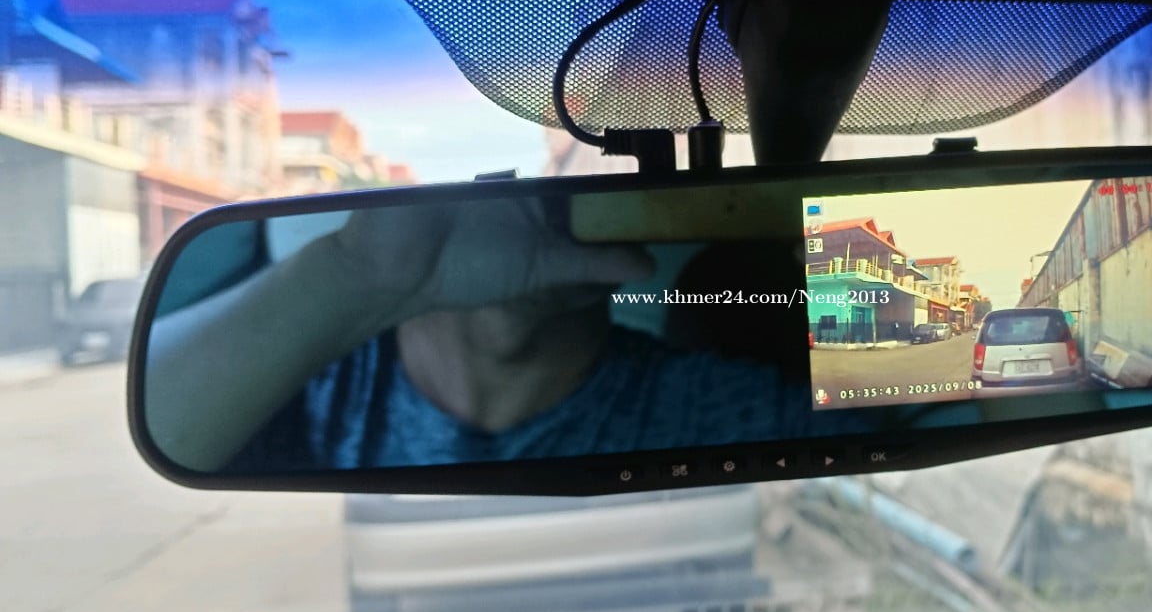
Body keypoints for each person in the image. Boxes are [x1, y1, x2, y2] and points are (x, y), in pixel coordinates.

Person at [144, 197, 872, 474]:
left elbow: (918, 422)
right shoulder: (313, 382)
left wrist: (841, 211)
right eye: (494, 182)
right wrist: (362, 277)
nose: (535, 206)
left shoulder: (717, 402)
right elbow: (147, 429)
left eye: (566, 192)